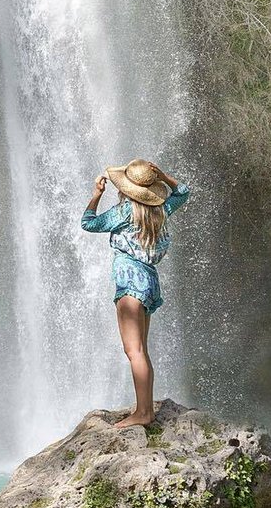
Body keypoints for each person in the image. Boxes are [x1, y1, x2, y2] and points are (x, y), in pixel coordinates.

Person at [81, 158, 191, 430]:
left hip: (130, 283)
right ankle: (144, 408)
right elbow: (184, 192)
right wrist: (164, 177)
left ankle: (143, 413)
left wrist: (96, 195)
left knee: (134, 351)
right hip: (150, 282)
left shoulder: (124, 213)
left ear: (126, 189)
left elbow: (88, 223)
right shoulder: (161, 209)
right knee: (141, 350)